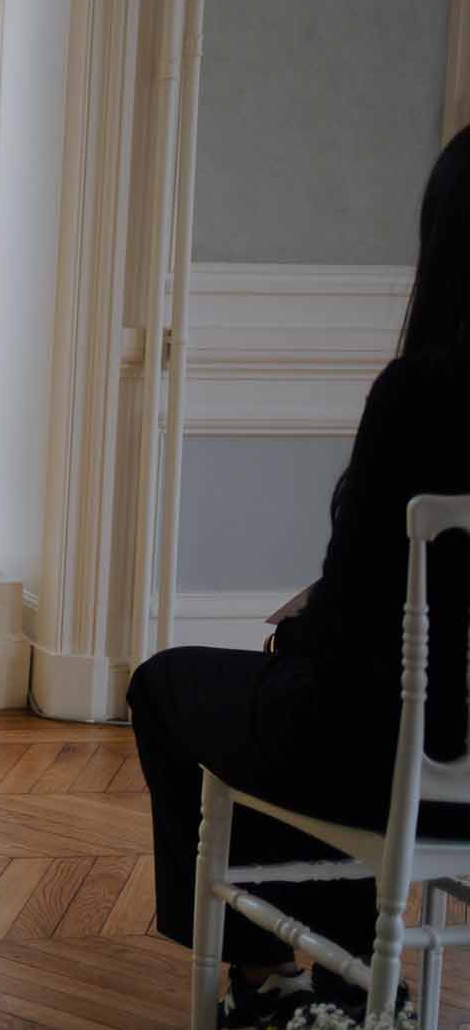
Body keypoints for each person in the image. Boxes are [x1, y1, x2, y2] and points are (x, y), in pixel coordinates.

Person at [129, 124, 470, 1028]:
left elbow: (354, 618)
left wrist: (300, 628)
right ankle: (350, 971)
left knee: (170, 688)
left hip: (384, 758)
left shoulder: (417, 395)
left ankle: (270, 974)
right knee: (330, 697)